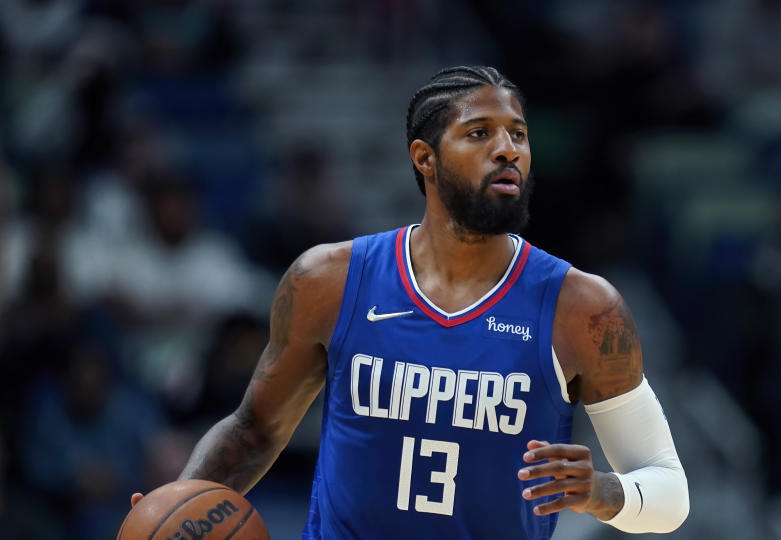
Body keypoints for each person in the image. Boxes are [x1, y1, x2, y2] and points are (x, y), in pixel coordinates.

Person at [131, 66, 689, 538]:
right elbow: (253, 431)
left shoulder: (583, 308)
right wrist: (178, 506)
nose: (506, 150)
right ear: (425, 158)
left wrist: (601, 492)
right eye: (479, 133)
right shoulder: (329, 279)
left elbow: (669, 490)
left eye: (518, 134)